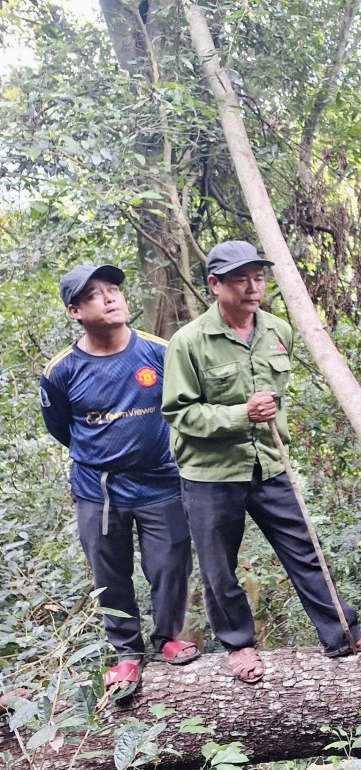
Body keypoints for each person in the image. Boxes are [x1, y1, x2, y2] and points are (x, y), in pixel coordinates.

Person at [162, 241, 361, 683]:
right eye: (240, 279)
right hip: (210, 476)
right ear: (215, 284)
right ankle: (239, 645)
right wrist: (239, 414)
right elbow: (179, 413)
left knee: (306, 552)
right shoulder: (188, 342)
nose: (253, 287)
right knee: (218, 568)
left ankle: (343, 634)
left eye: (258, 277)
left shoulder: (277, 331)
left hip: (269, 465)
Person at [40, 264, 198, 704]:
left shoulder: (162, 351)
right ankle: (127, 652)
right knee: (110, 573)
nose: (109, 298)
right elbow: (60, 427)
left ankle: (167, 637)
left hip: (161, 480)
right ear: (75, 311)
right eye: (94, 295)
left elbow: (187, 407)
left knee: (170, 566)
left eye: (113, 289)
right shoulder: (62, 370)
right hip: (98, 489)